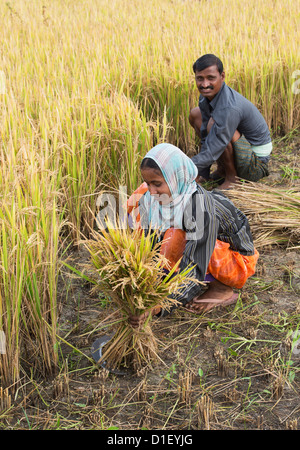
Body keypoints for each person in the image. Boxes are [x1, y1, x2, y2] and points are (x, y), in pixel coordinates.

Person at [127, 143, 259, 328]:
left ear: (177, 179)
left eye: (157, 184)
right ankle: (169, 278)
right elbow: (148, 240)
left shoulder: (199, 209)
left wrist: (159, 306)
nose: (152, 190)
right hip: (199, 247)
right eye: (149, 182)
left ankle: (221, 289)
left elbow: (194, 269)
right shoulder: (158, 196)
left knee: (175, 238)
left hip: (234, 261)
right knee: (140, 198)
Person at [189, 54, 272, 189]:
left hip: (255, 165)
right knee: (196, 114)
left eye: (211, 78)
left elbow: (215, 146)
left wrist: (184, 166)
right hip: (240, 150)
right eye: (200, 78)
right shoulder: (205, 97)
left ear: (222, 77)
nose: (204, 84)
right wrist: (202, 172)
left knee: (215, 125)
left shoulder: (229, 106)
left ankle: (232, 179)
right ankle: (223, 169)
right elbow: (205, 136)